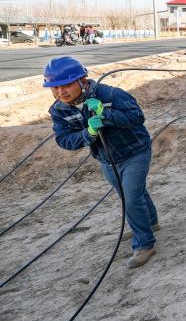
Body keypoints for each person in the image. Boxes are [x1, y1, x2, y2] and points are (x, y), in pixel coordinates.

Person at [44, 56, 159, 269]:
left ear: (82, 81)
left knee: (131, 198)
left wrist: (104, 113)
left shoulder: (110, 94)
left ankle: (145, 244)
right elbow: (64, 140)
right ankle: (150, 223)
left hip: (135, 152)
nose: (61, 92)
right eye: (55, 88)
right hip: (106, 159)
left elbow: (137, 118)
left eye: (66, 85)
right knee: (132, 194)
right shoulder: (59, 110)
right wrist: (88, 133)